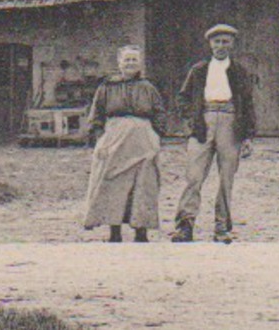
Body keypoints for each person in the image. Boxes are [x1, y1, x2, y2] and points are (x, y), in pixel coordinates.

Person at [170, 24, 257, 243]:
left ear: (232, 44)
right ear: (210, 44)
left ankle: (222, 227)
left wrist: (247, 136)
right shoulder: (199, 70)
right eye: (217, 42)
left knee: (226, 178)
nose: (221, 46)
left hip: (230, 122)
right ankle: (185, 225)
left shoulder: (240, 72)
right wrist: (192, 119)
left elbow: (247, 103)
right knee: (194, 176)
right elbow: (182, 97)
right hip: (203, 121)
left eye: (225, 42)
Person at [82, 45, 165, 243]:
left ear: (140, 63)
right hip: (114, 140)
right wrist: (99, 140)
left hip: (143, 141)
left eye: (134, 60)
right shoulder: (106, 87)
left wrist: (156, 136)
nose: (130, 64)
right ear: (119, 63)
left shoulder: (148, 87)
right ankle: (115, 230)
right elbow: (96, 116)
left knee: (144, 184)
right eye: (126, 60)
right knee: (113, 182)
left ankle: (141, 230)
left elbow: (159, 112)